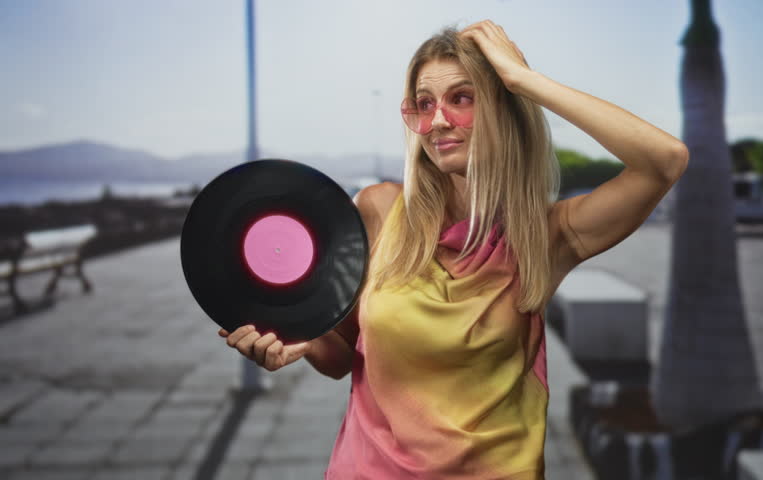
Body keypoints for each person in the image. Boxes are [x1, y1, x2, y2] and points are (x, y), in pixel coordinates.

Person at [219, 20, 688, 479]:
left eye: (461, 98)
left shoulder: (546, 235)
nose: (438, 120)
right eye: (424, 104)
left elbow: (665, 161)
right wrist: (294, 342)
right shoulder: (379, 210)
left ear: (503, 107)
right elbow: (340, 355)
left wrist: (524, 80)